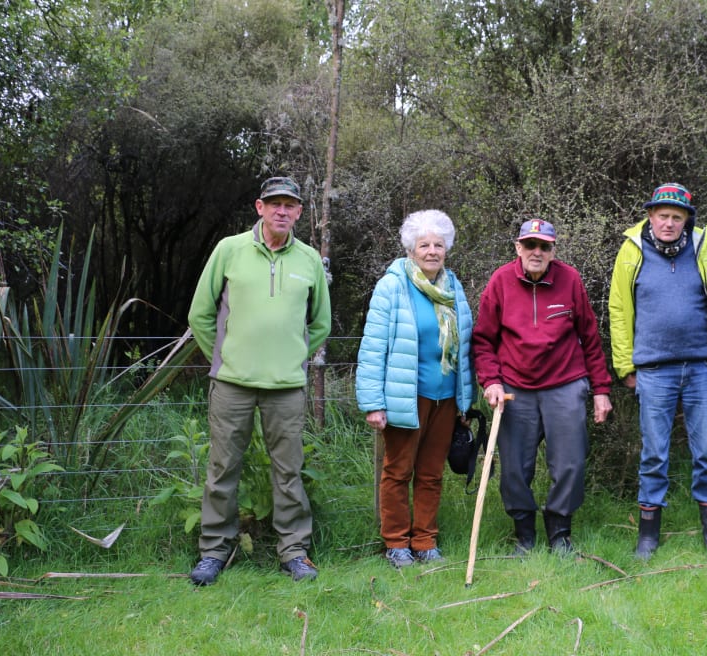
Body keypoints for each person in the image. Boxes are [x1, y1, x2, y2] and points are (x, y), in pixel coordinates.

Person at [187, 176, 331, 586]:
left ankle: (294, 552)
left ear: (300, 212)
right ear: (260, 208)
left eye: (290, 204)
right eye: (275, 204)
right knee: (222, 468)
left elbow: (320, 322)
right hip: (232, 383)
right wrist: (226, 355)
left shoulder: (308, 261)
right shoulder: (229, 250)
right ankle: (214, 551)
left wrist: (293, 358)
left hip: (286, 387)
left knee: (289, 471)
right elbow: (200, 314)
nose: (282, 211)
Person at [609, 183, 707, 563]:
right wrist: (625, 364)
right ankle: (648, 537)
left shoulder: (703, 246)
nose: (668, 223)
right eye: (662, 215)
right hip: (654, 370)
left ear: (686, 220)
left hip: (701, 367)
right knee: (654, 454)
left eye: (676, 217)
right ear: (650, 216)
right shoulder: (632, 250)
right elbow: (618, 308)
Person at [471, 218, 612, 554]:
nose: (537, 251)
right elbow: (483, 341)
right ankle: (524, 535)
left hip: (565, 382)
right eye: (530, 245)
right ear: (518, 247)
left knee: (571, 463)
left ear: (553, 251)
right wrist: (490, 381)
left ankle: (560, 532)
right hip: (515, 387)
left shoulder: (570, 280)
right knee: (515, 467)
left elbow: (590, 338)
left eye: (544, 246)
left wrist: (601, 389)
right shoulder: (501, 281)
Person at [355, 210, 475, 569]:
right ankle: (395, 542)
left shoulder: (452, 287)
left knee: (431, 472)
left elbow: (466, 346)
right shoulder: (393, 285)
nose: (432, 251)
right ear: (411, 249)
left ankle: (424, 540)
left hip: (445, 397)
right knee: (398, 470)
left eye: (439, 244)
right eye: (424, 244)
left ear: (447, 249)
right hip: (406, 396)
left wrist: (465, 398)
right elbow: (373, 346)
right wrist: (373, 403)